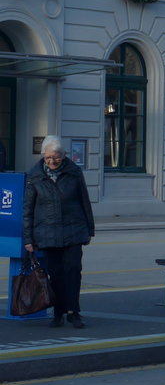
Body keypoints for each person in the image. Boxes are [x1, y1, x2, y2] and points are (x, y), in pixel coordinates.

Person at [23, 135, 95, 328]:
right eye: (48, 158)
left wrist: (90, 229)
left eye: (56, 157)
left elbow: (84, 201)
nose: (52, 161)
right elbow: (28, 209)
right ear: (43, 156)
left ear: (63, 155)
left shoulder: (74, 172)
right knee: (55, 274)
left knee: (73, 270)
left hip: (74, 229)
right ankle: (58, 312)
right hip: (48, 232)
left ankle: (73, 311)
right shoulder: (35, 176)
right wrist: (28, 238)